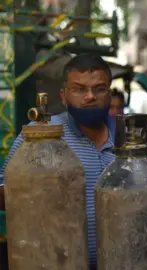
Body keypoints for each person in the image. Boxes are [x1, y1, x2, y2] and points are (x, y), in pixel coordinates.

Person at [0, 53, 115, 269]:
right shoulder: (41, 135)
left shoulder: (126, 139)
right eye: (79, 89)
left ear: (110, 94)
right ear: (63, 96)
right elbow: (5, 193)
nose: (90, 96)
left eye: (99, 89)